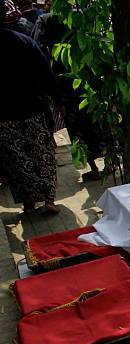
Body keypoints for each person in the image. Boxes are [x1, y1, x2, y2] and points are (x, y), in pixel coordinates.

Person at [0, 0, 62, 213]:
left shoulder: (24, 41)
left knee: (16, 160)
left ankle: (28, 203)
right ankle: (48, 200)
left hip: (5, 115)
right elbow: (46, 75)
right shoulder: (25, 42)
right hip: (33, 108)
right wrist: (59, 101)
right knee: (42, 154)